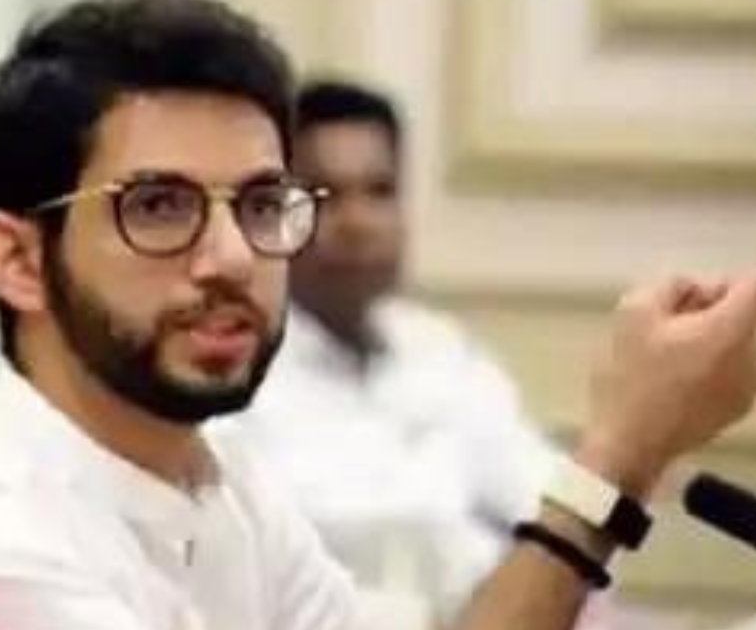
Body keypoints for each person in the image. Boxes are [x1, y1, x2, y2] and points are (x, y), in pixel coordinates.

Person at [0, 0, 756, 630]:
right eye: (158, 207)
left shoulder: (220, 490)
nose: (232, 257)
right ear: (15, 260)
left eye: (259, 204)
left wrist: (630, 450)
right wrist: (617, 454)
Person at [235, 80, 555, 619]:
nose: (359, 222)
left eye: (379, 191)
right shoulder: (235, 376)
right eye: (326, 196)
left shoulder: (441, 351)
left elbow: (545, 501)